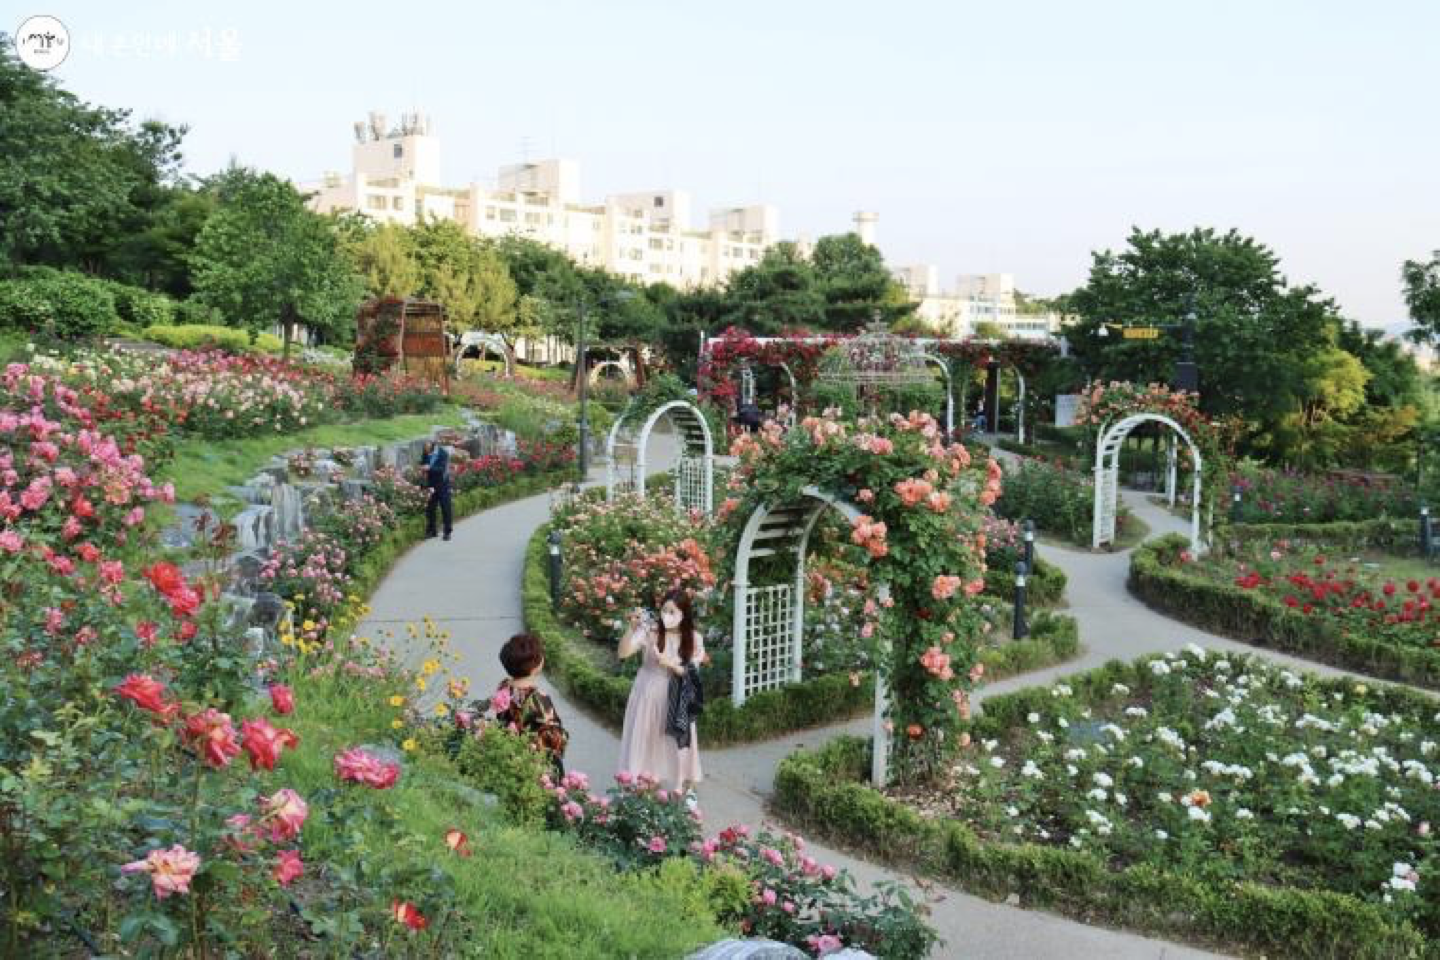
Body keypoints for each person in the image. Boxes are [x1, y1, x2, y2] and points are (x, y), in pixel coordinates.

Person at [617, 587, 705, 793]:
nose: (667, 615)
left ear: (683, 614)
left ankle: (683, 785)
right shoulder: (651, 632)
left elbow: (691, 672)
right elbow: (623, 653)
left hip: (677, 696)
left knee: (677, 741)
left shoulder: (694, 638)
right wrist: (631, 629)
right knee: (646, 737)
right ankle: (644, 784)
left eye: (672, 611)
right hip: (647, 692)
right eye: (664, 610)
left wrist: (669, 664)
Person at [487, 632, 568, 775]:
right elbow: (553, 738)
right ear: (535, 666)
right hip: (535, 764)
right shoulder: (539, 698)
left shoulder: (504, 688)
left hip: (509, 755)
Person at [422, 439, 453, 541]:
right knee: (430, 508)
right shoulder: (426, 451)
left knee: (445, 507)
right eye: (425, 450)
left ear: (433, 446)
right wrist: (422, 467)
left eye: (428, 450)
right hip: (431, 484)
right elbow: (423, 461)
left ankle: (447, 532)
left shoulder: (443, 454)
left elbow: (441, 469)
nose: (426, 452)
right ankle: (432, 530)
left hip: (442, 483)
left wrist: (429, 468)